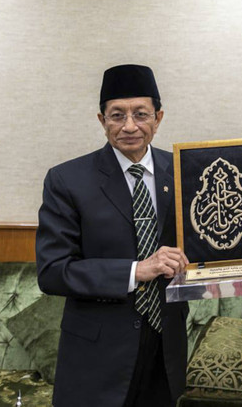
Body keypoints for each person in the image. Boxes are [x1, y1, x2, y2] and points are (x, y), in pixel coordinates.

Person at [36, 64, 189, 407]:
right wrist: (136, 271)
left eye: (141, 114)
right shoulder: (67, 180)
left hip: (167, 349)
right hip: (97, 356)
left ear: (158, 117)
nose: (130, 126)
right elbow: (53, 272)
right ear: (101, 120)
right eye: (117, 115)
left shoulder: (182, 170)